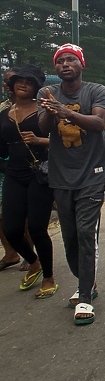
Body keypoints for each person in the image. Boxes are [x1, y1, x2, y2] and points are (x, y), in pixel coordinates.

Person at [38, 44, 105, 325]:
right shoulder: (50, 93)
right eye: (60, 61)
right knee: (68, 238)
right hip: (60, 176)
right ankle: (86, 282)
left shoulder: (96, 91)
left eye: (71, 60)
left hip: (92, 173)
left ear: (81, 64)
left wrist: (65, 112)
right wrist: (50, 111)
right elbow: (43, 129)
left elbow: (98, 123)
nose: (65, 64)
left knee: (84, 233)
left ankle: (85, 298)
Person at [0, 65, 57, 298]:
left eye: (29, 82)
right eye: (19, 81)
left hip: (39, 174)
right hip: (13, 173)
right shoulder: (4, 114)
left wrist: (40, 137)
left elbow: (59, 142)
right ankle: (33, 262)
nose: (23, 84)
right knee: (11, 229)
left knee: (36, 228)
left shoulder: (43, 111)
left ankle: (48, 276)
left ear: (36, 87)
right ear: (11, 86)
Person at [0, 68, 22, 271]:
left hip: (25, 165)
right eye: (6, 81)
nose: (7, 84)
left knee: (27, 215)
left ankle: (32, 255)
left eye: (11, 80)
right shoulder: (2, 109)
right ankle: (10, 252)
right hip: (3, 165)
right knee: (3, 215)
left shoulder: (34, 107)